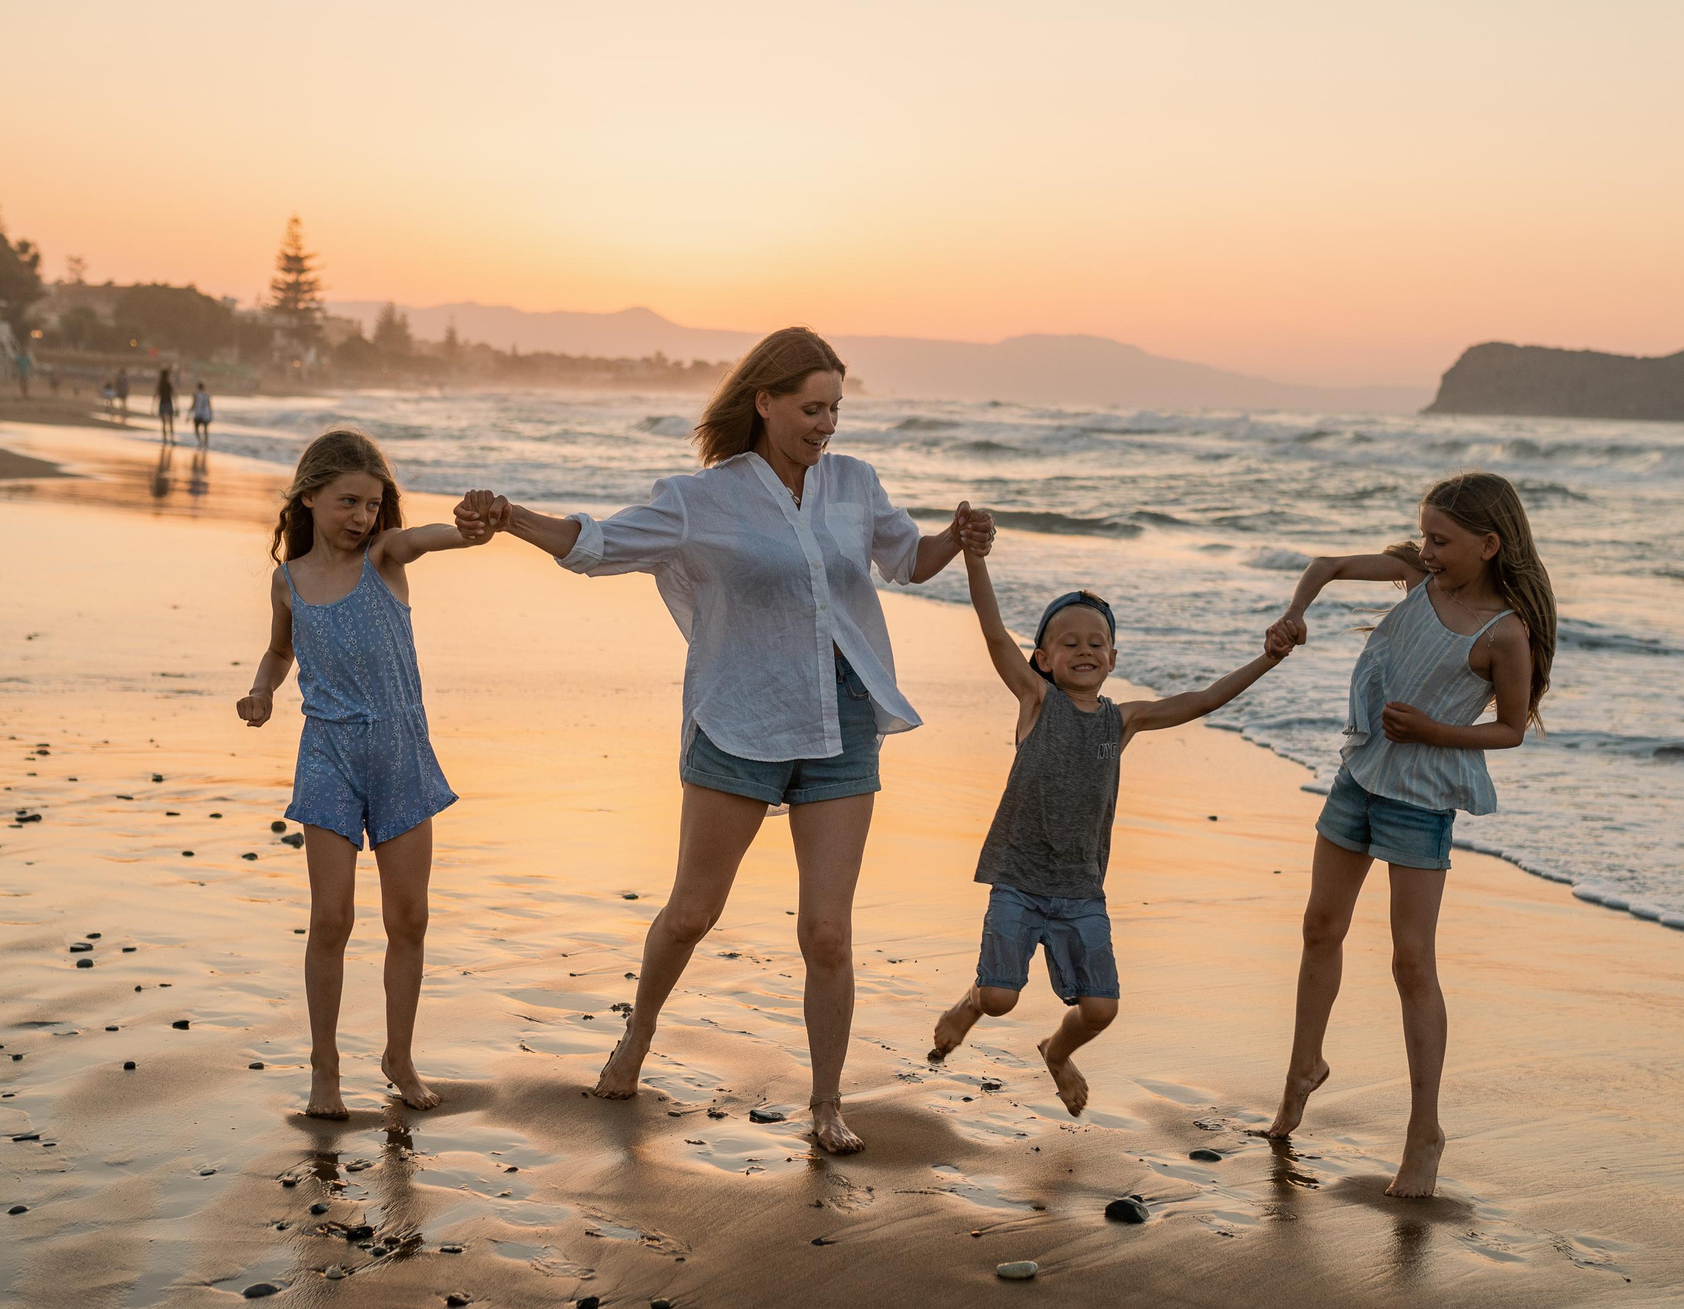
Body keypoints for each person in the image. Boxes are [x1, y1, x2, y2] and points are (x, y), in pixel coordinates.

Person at [462, 327, 993, 1155]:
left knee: (828, 932)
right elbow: (598, 543)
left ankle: (826, 1104)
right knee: (691, 913)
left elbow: (908, 560)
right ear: (765, 402)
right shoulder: (701, 499)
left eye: (836, 410)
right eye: (811, 409)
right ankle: (639, 1032)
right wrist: (512, 519)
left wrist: (958, 538)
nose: (827, 426)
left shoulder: (854, 484)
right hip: (742, 719)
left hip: (843, 720)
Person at [1262, 471, 1559, 1197]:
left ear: (1489, 545)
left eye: (1441, 540)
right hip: (1359, 775)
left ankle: (1425, 1131)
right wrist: (1293, 615)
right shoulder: (1418, 576)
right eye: (1424, 535)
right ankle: (1303, 1068)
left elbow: (1511, 729)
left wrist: (1433, 730)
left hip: (1421, 802)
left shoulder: (1504, 633)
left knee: (1411, 962)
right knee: (1320, 926)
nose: (1426, 551)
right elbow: (1327, 566)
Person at [928, 551, 1295, 1113]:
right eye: (1069, 643)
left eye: (1096, 643)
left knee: (1101, 1009)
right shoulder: (1037, 702)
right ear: (1042, 659)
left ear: (1114, 658)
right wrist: (975, 559)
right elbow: (994, 633)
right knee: (1000, 996)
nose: (1084, 650)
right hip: (1019, 880)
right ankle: (970, 1005)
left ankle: (1057, 1052)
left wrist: (1268, 659)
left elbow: (1203, 699)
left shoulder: (1121, 720)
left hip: (1081, 890)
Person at [237, 429, 495, 1119]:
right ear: (309, 497)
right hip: (328, 754)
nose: (362, 517)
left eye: (373, 504)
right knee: (331, 918)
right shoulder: (288, 581)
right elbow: (279, 651)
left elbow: (428, 539)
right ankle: (324, 1067)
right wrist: (262, 690)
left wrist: (470, 529)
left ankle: (398, 1057)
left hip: (400, 751)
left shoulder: (385, 556)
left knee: (409, 917)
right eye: (347, 501)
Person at [154, 365, 176, 443]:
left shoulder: (160, 384)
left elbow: (156, 395)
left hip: (162, 403)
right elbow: (174, 394)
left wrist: (153, 406)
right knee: (171, 422)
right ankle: (172, 438)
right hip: (169, 403)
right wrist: (177, 406)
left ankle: (165, 439)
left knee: (163, 423)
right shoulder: (169, 383)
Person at [191, 379, 214, 448]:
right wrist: (211, 415)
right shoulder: (207, 395)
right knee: (205, 430)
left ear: (198, 387)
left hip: (198, 414)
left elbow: (193, 405)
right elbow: (210, 406)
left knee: (196, 428)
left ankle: (200, 441)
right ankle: (206, 443)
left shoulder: (196, 394)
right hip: (206, 414)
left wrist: (188, 415)